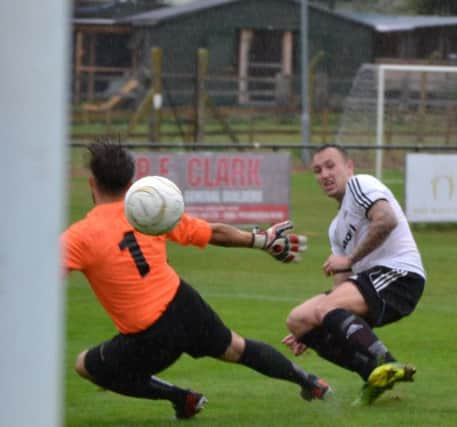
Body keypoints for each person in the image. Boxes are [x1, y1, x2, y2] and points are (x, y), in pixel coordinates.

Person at [61, 139, 331, 420]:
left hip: (148, 336)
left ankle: (182, 398)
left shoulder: (80, 236)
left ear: (92, 184)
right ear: (131, 185)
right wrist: (261, 240)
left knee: (86, 365)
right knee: (238, 348)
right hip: (183, 303)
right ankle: (310, 382)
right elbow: (214, 233)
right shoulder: (149, 214)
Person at [281, 144, 426, 405]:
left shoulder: (360, 185)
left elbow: (386, 220)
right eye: (317, 170)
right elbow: (342, 285)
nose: (324, 174)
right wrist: (314, 331)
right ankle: (374, 376)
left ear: (349, 167)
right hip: (371, 283)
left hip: (400, 275)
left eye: (330, 165)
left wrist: (349, 259)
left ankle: (386, 362)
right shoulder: (336, 228)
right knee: (299, 320)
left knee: (326, 308)